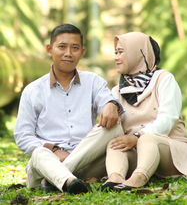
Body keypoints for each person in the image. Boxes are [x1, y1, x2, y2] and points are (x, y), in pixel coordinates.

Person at [14, 23, 124, 194]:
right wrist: (55, 150)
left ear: (82, 52)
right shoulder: (33, 90)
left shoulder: (93, 81)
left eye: (74, 48)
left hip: (86, 162)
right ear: (49, 49)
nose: (68, 53)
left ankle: (58, 180)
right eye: (62, 47)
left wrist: (111, 104)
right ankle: (65, 179)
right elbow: (23, 135)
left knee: (115, 127)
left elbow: (106, 99)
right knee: (39, 154)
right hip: (46, 164)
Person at [100, 31, 187, 191]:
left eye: (121, 52)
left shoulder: (163, 79)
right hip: (140, 154)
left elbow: (168, 119)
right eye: (115, 53)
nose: (116, 57)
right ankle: (115, 178)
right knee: (115, 144)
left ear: (138, 52)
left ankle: (139, 177)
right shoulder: (117, 91)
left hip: (172, 151)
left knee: (147, 139)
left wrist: (137, 136)